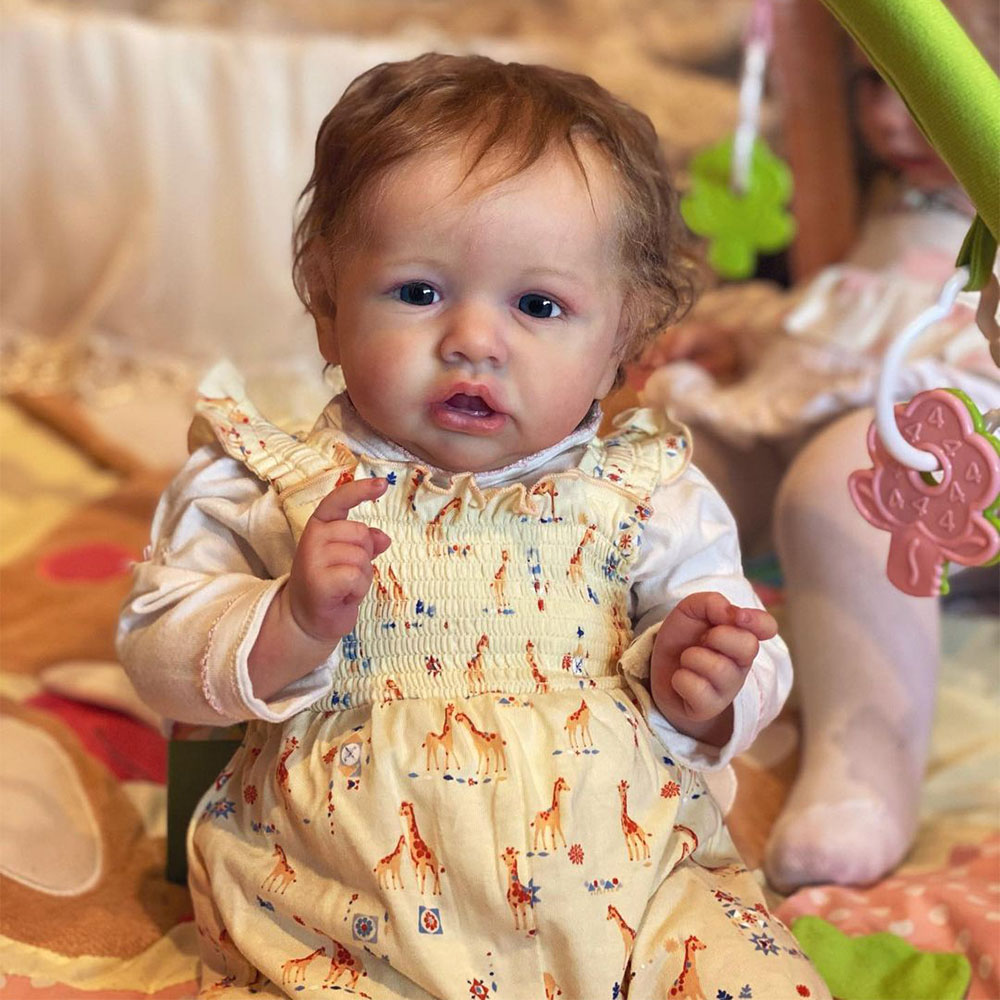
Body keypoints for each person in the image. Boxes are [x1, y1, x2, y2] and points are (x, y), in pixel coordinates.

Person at [117, 53, 830, 999]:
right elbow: (158, 646)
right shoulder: (274, 486)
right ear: (327, 302)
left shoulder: (646, 491)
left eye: (538, 305)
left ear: (622, 343)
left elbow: (746, 644)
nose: (473, 342)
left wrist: (700, 682)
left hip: (637, 892)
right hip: (350, 907)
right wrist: (284, 624)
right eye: (419, 292)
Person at [631, 2, 1000, 894]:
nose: (886, 119)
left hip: (964, 429)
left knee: (844, 484)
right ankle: (592, 667)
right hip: (842, 395)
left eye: (919, 90)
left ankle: (863, 764)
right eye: (872, 83)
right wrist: (747, 342)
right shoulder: (885, 198)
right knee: (666, 463)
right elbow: (840, 305)